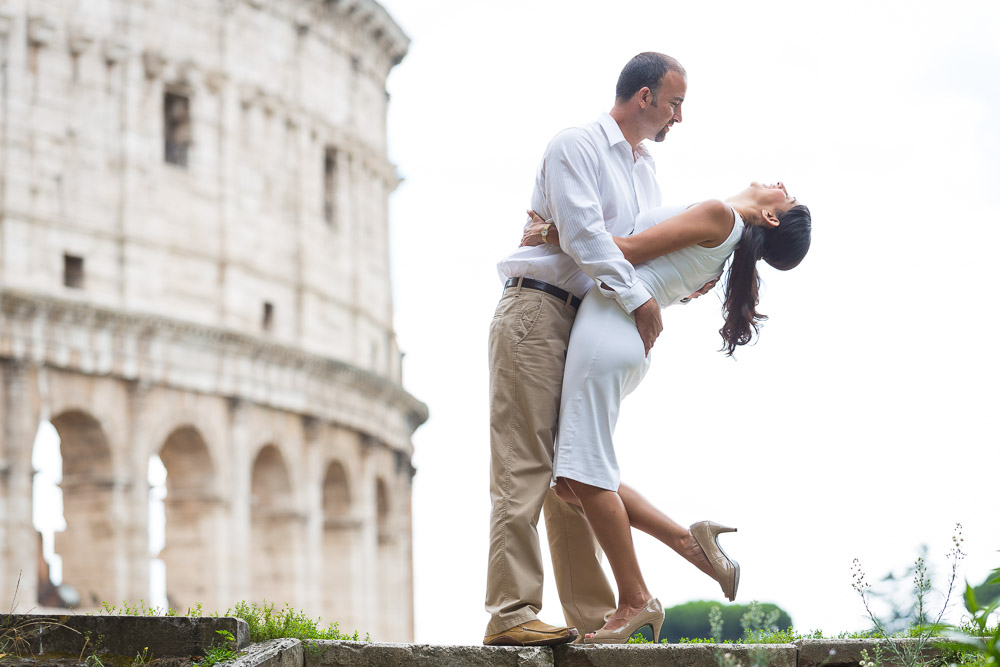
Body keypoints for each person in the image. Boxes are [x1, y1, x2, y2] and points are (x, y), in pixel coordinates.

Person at [519, 181, 813, 643]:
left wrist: (558, 235)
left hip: (608, 332)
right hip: (617, 335)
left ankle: (635, 600)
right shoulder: (725, 242)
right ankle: (689, 542)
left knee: (582, 475)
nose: (782, 185)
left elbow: (630, 251)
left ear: (773, 217)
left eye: (788, 196)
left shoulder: (720, 216)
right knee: (571, 482)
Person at [483, 52, 695, 647]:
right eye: (675, 103)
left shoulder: (645, 171)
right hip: (537, 310)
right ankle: (510, 613)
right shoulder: (575, 144)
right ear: (645, 97)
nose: (680, 117)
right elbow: (585, 239)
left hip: (583, 322)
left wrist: (677, 282)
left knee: (573, 472)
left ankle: (594, 619)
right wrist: (636, 297)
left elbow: (631, 248)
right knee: (525, 466)